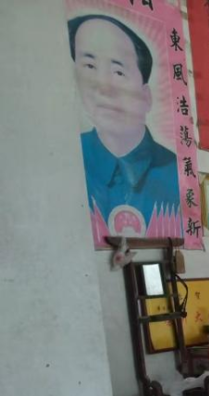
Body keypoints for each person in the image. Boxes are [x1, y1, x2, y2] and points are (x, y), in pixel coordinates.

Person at [68, 14, 180, 233]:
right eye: (89, 66)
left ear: (146, 97)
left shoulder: (174, 171)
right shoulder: (68, 158)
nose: (103, 86)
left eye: (118, 72)